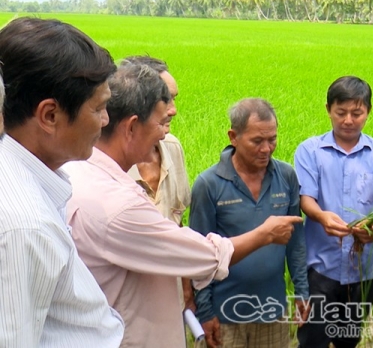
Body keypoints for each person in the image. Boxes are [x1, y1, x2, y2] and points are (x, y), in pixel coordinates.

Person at [64, 62, 302, 348]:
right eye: (160, 123)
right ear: (131, 127)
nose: (164, 134)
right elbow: (202, 253)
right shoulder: (119, 206)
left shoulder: (83, 174)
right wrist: (264, 234)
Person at [0, 17, 124, 347]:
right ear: (50, 115)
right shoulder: (25, 226)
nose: (106, 120)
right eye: (98, 107)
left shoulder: (24, 180)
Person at [294, 76, 373, 348]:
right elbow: (306, 198)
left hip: (365, 267)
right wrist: (321, 217)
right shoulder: (310, 151)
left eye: (357, 113)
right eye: (340, 112)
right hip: (321, 265)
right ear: (328, 110)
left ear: (368, 112)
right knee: (313, 337)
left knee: (349, 337)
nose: (348, 120)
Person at [190, 98, 309, 348]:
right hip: (224, 314)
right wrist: (205, 312)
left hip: (271, 310)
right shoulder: (209, 184)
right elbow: (198, 254)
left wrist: (301, 290)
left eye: (272, 139)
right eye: (257, 141)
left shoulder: (286, 177)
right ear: (233, 136)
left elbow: (295, 241)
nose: (266, 148)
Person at [124, 56, 195, 315]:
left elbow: (178, 223)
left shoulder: (173, 149)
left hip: (170, 300)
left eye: (174, 99)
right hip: (127, 308)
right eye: (166, 100)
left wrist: (187, 290)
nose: (173, 109)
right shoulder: (105, 163)